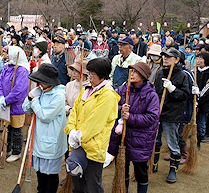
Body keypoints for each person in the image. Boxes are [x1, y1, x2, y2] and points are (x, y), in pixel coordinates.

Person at [64, 58, 120, 192]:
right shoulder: (86, 90)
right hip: (79, 142)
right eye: (89, 73)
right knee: (77, 179)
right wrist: (71, 129)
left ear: (102, 75)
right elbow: (75, 110)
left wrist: (79, 136)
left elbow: (96, 122)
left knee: (92, 184)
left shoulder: (108, 95)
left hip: (94, 146)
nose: (89, 77)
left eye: (92, 74)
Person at [108, 62, 160, 193]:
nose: (132, 74)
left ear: (143, 76)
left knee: (140, 170)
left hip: (140, 139)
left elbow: (152, 117)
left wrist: (130, 117)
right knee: (122, 168)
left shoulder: (151, 94)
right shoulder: (123, 89)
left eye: (136, 72)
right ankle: (122, 189)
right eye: (131, 71)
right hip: (122, 137)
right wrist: (121, 110)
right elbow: (111, 105)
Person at [22, 63, 67, 193]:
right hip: (38, 139)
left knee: (50, 174)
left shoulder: (58, 96)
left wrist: (34, 101)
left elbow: (45, 116)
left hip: (51, 141)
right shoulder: (40, 92)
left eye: (42, 81)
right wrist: (30, 96)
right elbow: (26, 109)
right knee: (40, 172)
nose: (40, 84)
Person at [153, 48, 190, 183]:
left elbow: (185, 96)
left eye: (169, 57)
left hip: (173, 114)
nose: (165, 58)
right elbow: (154, 92)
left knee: (172, 143)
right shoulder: (159, 73)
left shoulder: (182, 76)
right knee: (156, 141)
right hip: (158, 112)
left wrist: (172, 89)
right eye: (164, 56)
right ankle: (154, 164)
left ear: (177, 59)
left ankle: (173, 170)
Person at [0, 46, 29, 162]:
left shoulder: (22, 70)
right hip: (5, 104)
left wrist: (8, 99)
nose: (5, 55)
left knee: (16, 129)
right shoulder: (7, 67)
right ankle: (7, 148)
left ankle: (16, 151)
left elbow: (19, 90)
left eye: (7, 53)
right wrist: (0, 96)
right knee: (7, 127)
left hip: (16, 105)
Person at [192, 52, 209, 150]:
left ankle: (198, 141)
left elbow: (207, 90)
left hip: (204, 104)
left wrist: (199, 99)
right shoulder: (194, 71)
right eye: (197, 58)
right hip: (194, 102)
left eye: (200, 58)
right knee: (193, 121)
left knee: (201, 124)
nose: (198, 60)